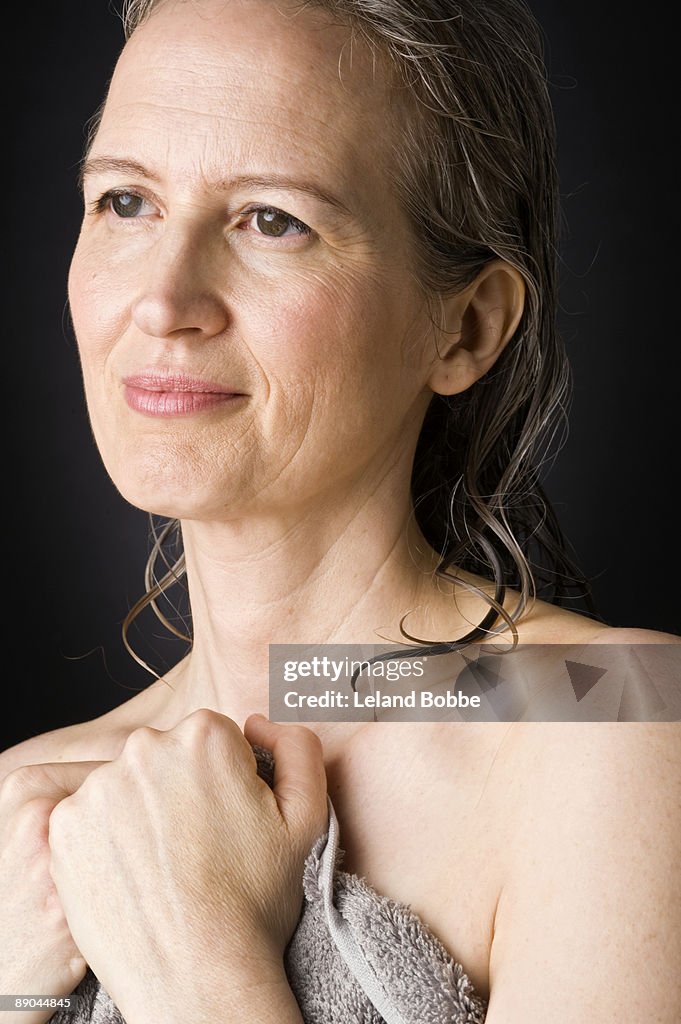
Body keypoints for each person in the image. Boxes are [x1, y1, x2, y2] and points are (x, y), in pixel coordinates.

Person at [1, 0, 679, 1021]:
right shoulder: (26, 805)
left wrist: (198, 963)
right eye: (125, 202)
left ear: (466, 327)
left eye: (272, 219)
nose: (162, 297)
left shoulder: (618, 718)